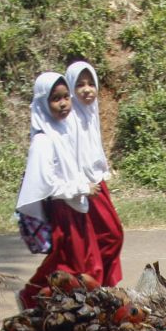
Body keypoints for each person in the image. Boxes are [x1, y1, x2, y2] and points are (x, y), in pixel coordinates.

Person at [16, 72, 96, 310]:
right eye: (55, 99)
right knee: (69, 265)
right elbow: (48, 185)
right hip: (64, 208)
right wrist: (82, 188)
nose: (63, 104)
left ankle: (45, 298)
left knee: (77, 262)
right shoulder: (43, 141)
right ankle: (32, 295)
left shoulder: (63, 130)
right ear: (42, 103)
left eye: (66, 97)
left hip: (76, 205)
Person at [63, 60, 124, 288]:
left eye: (91, 83)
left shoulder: (90, 111)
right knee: (111, 236)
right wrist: (81, 185)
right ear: (70, 88)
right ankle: (99, 287)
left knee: (103, 238)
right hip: (84, 188)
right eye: (80, 85)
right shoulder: (70, 119)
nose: (87, 89)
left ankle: (100, 288)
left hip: (97, 182)